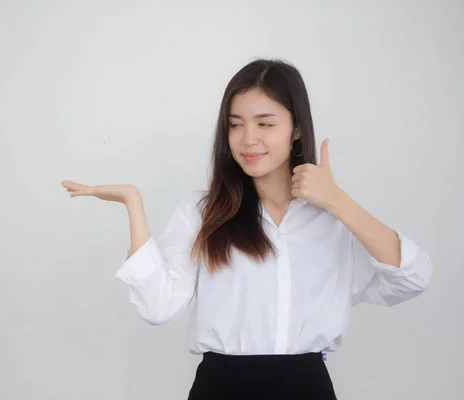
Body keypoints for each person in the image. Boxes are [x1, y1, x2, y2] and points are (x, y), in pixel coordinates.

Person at [61, 59, 433, 399]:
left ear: (297, 129)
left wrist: (338, 201)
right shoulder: (203, 212)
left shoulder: (333, 222)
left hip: (306, 389)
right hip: (221, 387)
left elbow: (411, 278)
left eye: (265, 124)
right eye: (235, 125)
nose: (248, 139)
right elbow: (157, 307)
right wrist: (133, 203)